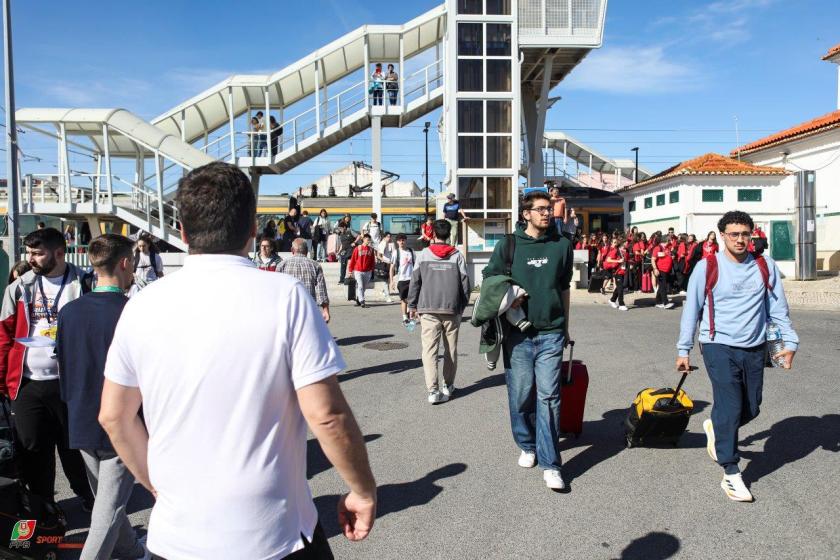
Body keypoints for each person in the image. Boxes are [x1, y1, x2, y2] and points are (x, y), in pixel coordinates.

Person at [99, 162, 376, 559]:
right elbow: (326, 415)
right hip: (275, 533)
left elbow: (114, 416)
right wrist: (362, 489)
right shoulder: (285, 296)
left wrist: (155, 484)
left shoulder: (141, 305)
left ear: (182, 231)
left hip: (175, 538)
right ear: (251, 229)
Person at [676, 210, 798, 503]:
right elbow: (691, 309)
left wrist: (790, 341)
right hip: (717, 344)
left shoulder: (763, 265)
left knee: (752, 407)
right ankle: (731, 472)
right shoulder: (707, 267)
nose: (741, 239)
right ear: (722, 236)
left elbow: (778, 308)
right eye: (734, 234)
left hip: (754, 346)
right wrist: (684, 349)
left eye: (746, 234)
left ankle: (717, 428)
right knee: (730, 405)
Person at [56, 234, 146, 560]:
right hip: (122, 422)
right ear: (124, 263)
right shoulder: (135, 311)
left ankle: (134, 552)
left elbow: (63, 365)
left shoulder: (69, 312)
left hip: (80, 419)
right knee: (106, 511)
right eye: (133, 261)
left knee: (107, 503)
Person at [483, 191, 573, 490]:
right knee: (521, 395)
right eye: (540, 209)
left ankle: (551, 464)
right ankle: (527, 444)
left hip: (551, 332)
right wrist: (508, 298)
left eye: (549, 209)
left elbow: (564, 289)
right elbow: (490, 281)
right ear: (526, 214)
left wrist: (566, 328)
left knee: (549, 397)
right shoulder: (508, 245)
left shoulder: (562, 245)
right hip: (517, 335)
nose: (547, 213)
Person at [0, 228, 95, 509]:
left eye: (38, 253)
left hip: (71, 385)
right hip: (27, 385)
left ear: (58, 253)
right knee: (33, 453)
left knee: (76, 450)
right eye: (28, 253)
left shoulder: (85, 283)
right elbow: (4, 335)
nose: (31, 259)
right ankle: (43, 509)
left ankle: (92, 502)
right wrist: (2, 381)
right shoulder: (18, 287)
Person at [407, 220, 471, 404]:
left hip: (427, 308)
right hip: (451, 309)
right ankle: (448, 386)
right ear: (449, 234)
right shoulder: (457, 255)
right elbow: (465, 284)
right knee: (450, 349)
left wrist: (412, 305)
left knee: (429, 350)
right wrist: (461, 306)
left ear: (433, 234)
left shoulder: (423, 254)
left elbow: (415, 281)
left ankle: (433, 391)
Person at [277, 239, 331, 324]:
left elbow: (277, 289)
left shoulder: (282, 265)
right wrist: (325, 310)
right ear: (307, 251)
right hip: (309, 308)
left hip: (288, 308)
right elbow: (321, 290)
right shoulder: (315, 265)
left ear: (292, 250)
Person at [390, 234, 415, 325]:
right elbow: (392, 267)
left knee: (412, 298)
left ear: (406, 241)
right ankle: (405, 317)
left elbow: (416, 265)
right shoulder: (396, 252)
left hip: (412, 278)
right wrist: (392, 281)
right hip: (402, 279)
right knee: (404, 299)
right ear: (397, 242)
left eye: (403, 240)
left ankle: (411, 314)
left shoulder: (411, 251)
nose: (401, 242)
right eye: (399, 240)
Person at [348, 234, 376, 308]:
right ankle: (362, 301)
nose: (368, 240)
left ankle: (358, 299)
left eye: (369, 239)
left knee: (364, 287)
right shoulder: (358, 248)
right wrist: (350, 270)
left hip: (368, 271)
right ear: (363, 239)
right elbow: (353, 260)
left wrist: (372, 270)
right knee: (360, 286)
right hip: (358, 270)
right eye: (366, 238)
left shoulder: (371, 249)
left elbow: (372, 261)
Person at [652, 232, 675, 309]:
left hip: (666, 270)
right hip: (660, 270)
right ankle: (665, 302)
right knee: (663, 286)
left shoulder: (667, 248)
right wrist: (655, 269)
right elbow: (653, 259)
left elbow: (666, 256)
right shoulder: (658, 248)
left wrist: (671, 257)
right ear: (666, 240)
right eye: (669, 240)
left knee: (662, 286)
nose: (670, 241)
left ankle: (658, 302)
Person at [604, 238, 628, 311]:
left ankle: (612, 300)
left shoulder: (624, 251)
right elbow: (608, 260)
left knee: (619, 287)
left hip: (622, 271)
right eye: (626, 243)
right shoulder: (615, 251)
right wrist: (618, 260)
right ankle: (621, 304)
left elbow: (624, 261)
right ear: (622, 244)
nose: (627, 244)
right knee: (620, 288)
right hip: (617, 272)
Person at [336, 218, 357, 285]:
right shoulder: (341, 234)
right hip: (344, 251)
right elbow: (342, 244)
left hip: (351, 250)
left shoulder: (350, 231)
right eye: (339, 229)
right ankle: (342, 279)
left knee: (352, 264)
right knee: (343, 265)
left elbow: (358, 236)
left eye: (341, 228)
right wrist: (339, 252)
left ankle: (353, 278)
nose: (340, 230)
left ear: (344, 227)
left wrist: (354, 242)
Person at [377, 232, 394, 303]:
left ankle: (384, 291)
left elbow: (394, 253)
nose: (389, 238)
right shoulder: (382, 244)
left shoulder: (392, 243)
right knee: (385, 281)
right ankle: (387, 296)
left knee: (389, 280)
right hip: (384, 264)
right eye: (387, 237)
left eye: (390, 236)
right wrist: (385, 261)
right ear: (384, 237)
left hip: (391, 263)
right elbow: (379, 255)